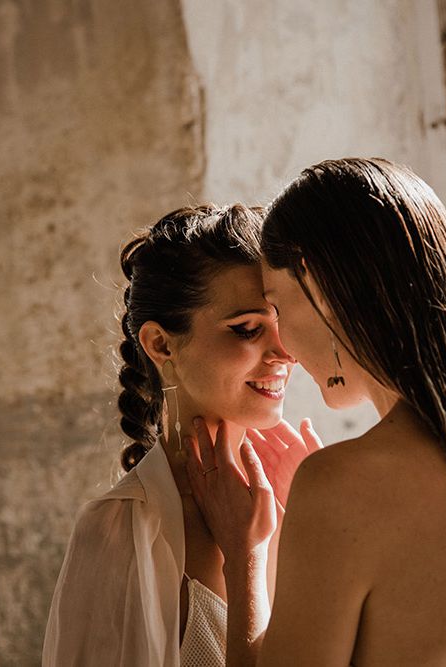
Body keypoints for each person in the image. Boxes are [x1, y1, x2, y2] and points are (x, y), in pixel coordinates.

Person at [186, 158, 446, 666]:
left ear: (323, 287)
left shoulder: (340, 485)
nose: (283, 345)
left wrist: (245, 555)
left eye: (278, 306)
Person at [42, 204, 320, 666]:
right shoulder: (119, 529)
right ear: (161, 343)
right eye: (248, 329)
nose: (284, 353)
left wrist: (320, 520)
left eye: (284, 324)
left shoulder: (306, 490)